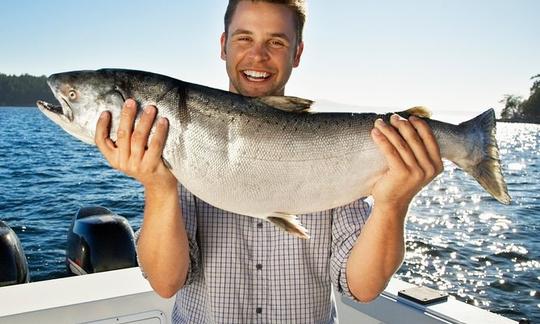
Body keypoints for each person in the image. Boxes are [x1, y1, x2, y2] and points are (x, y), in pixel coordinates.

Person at [94, 0, 443, 322]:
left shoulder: (338, 146)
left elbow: (362, 288)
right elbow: (167, 283)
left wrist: (393, 204)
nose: (257, 55)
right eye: (244, 38)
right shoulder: (177, 138)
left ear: (297, 53)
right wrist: (159, 186)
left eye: (275, 42)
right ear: (223, 45)